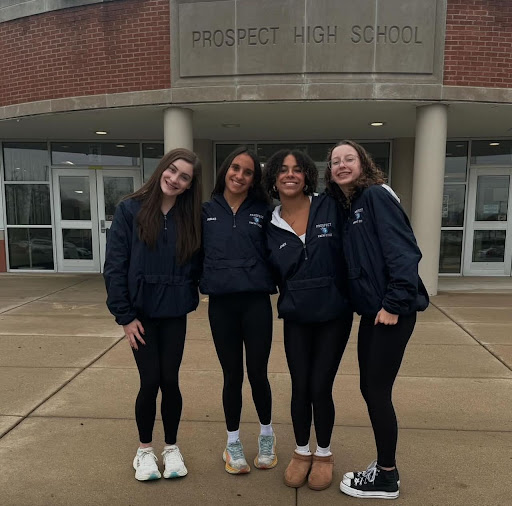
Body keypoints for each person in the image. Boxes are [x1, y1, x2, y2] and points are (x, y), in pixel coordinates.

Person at [325, 140, 429, 500]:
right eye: (335, 161)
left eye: (348, 158)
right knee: (371, 389)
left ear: (363, 163)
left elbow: (404, 252)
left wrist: (394, 304)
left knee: (377, 391)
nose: (341, 165)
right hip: (375, 313)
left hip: (390, 312)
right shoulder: (352, 205)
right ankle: (385, 469)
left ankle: (386, 476)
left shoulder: (376, 197)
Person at [103, 148, 202, 482]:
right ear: (162, 169)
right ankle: (144, 450)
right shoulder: (129, 210)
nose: (174, 179)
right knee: (150, 381)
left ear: (190, 185)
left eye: (184, 176)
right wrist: (125, 316)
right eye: (171, 170)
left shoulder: (191, 218)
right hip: (140, 316)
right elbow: (115, 266)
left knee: (170, 381)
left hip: (174, 313)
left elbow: (200, 266)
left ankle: (171, 447)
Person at [263, 149, 353, 491]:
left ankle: (324, 454)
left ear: (307, 176)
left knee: (320, 386)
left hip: (334, 313)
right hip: (297, 315)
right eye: (283, 170)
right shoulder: (268, 223)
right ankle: (301, 452)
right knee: (300, 385)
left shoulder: (330, 204)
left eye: (297, 170)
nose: (290, 175)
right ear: (273, 177)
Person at [200, 146, 277, 475]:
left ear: (254, 179)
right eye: (235, 168)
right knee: (232, 375)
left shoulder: (265, 210)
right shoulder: (204, 211)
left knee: (258, 374)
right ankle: (232, 444)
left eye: (248, 172)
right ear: (225, 170)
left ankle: (266, 436)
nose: (240, 175)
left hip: (256, 303)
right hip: (221, 305)